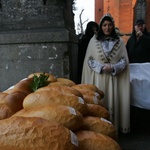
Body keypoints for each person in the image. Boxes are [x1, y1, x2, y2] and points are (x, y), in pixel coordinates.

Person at [81, 13, 130, 134]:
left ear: (113, 26)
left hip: (114, 79)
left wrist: (113, 67)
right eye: (104, 25)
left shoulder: (119, 41)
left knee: (113, 102)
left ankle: (113, 129)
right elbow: (89, 60)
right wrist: (102, 67)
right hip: (99, 78)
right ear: (101, 27)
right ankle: (100, 130)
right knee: (100, 104)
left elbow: (124, 61)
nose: (107, 28)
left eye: (109, 25)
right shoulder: (93, 40)